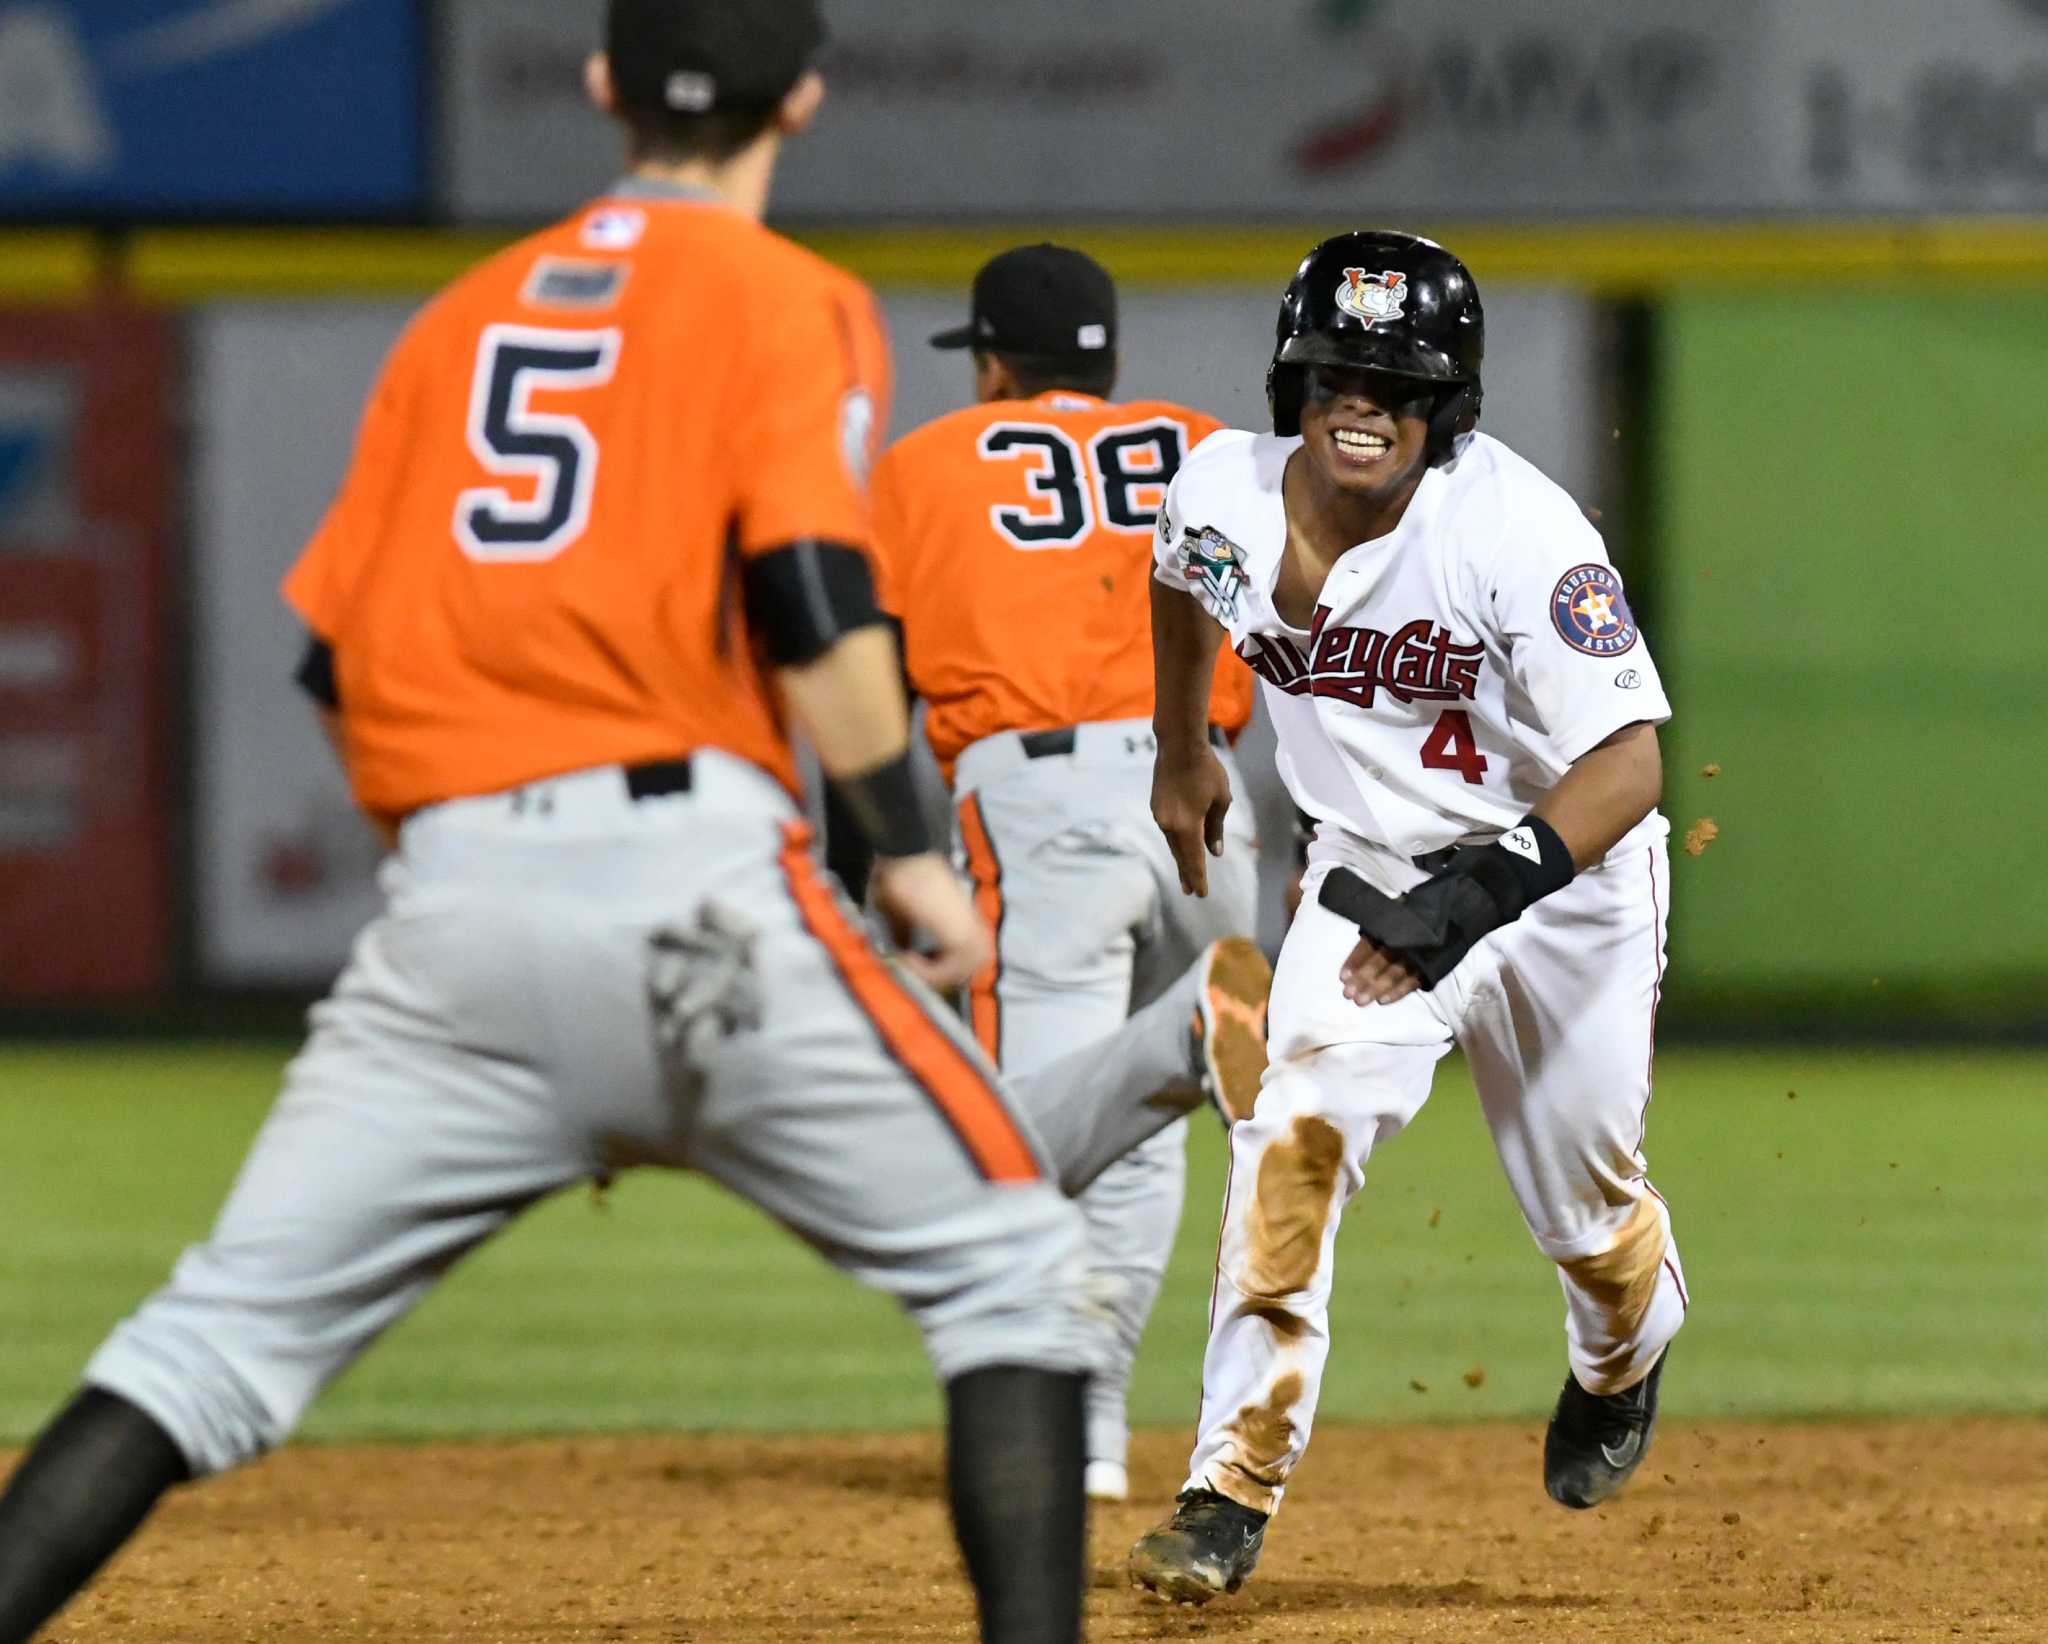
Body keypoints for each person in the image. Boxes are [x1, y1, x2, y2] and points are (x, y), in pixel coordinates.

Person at [0, 7, 1263, 1641]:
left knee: (203, 1343)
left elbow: (330, 651)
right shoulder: (783, 299)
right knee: (1009, 1272)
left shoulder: (456, 322)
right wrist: (899, 849)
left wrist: (462, 876)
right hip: (693, 890)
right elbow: (812, 598)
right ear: (800, 97)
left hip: (454, 901)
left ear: (600, 88)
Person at [1126, 231, 1689, 1605]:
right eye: (1334, 370)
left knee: (1592, 1227)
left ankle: (1626, 1351)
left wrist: (1491, 892)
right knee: (1292, 1140)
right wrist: (1183, 747)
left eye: (1398, 379)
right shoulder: (1222, 490)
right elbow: (1181, 587)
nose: (1360, 400)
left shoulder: (1521, 531)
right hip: (1370, 877)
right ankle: (1227, 1488)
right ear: (1291, 379)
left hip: (1559, 894)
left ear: (1451, 404)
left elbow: (1630, 766)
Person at [856, 244, 1268, 1503]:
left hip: (1043, 806)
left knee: (1018, 1130)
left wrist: (872, 847)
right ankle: (1085, 1429)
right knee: (1131, 1135)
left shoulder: (923, 464)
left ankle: (1044, 1411)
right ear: (1111, 360)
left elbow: (853, 666)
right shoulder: (1205, 446)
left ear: (991, 362)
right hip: (1205, 795)